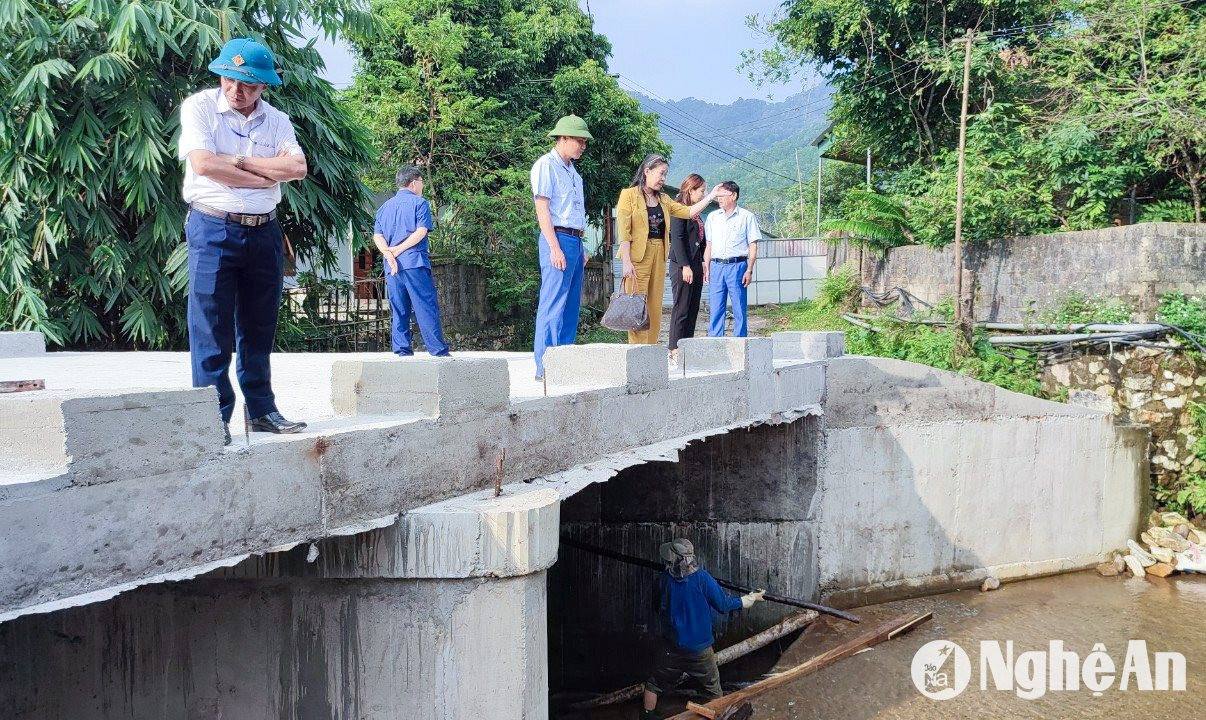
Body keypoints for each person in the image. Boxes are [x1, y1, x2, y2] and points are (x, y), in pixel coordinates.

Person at [179, 37, 309, 445]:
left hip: (265, 229)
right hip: (212, 226)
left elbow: (298, 168)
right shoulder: (199, 107)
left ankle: (262, 410)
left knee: (258, 324)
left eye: (248, 85)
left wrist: (236, 160)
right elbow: (202, 164)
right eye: (229, 80)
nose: (236, 91)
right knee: (210, 326)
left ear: (264, 87)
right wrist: (266, 173)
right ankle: (214, 418)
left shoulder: (277, 121)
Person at [642, 538, 765, 719]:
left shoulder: (663, 581)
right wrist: (749, 599)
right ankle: (720, 715)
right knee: (714, 691)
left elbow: (657, 607)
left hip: (673, 647)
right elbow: (723, 605)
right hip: (700, 649)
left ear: (672, 559)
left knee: (654, 684)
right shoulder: (702, 579)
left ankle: (646, 716)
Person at [616, 155, 720, 345]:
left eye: (665, 174)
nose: (663, 178)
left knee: (655, 307)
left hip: (659, 253)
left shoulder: (664, 199)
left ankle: (651, 350)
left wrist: (711, 196)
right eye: (660, 173)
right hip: (637, 255)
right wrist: (626, 261)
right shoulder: (628, 195)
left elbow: (688, 212)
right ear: (647, 171)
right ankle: (638, 352)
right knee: (637, 305)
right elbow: (624, 231)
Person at [531, 115, 593, 380]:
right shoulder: (546, 165)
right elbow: (542, 209)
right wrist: (554, 247)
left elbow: (573, 212)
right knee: (552, 302)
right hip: (556, 238)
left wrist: (582, 246)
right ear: (563, 138)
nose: (583, 146)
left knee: (570, 305)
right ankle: (545, 365)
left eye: (584, 141)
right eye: (579, 140)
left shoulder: (574, 174)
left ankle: (563, 360)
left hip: (575, 241)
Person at [372, 166, 451, 357]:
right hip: (414, 262)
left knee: (398, 308)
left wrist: (388, 253)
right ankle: (437, 350)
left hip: (392, 267)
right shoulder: (419, 203)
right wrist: (398, 250)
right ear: (414, 182)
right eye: (422, 182)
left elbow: (377, 235)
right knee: (425, 305)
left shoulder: (384, 207)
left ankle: (402, 350)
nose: (422, 186)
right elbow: (421, 231)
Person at [703, 181, 761, 338]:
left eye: (722, 195)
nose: (719, 199)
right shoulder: (712, 217)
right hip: (716, 266)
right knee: (716, 307)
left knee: (739, 307)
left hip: (738, 266)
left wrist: (749, 270)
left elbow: (753, 246)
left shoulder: (747, 217)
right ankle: (715, 340)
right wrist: (706, 267)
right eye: (718, 196)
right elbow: (708, 245)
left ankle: (740, 341)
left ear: (734, 196)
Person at [667, 174, 709, 364]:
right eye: (701, 191)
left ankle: (687, 347)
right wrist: (685, 265)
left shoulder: (696, 213)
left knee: (693, 307)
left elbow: (700, 240)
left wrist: (701, 262)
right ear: (690, 190)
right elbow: (677, 239)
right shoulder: (679, 209)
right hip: (681, 265)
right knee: (681, 307)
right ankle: (674, 349)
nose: (704, 194)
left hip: (696, 263)